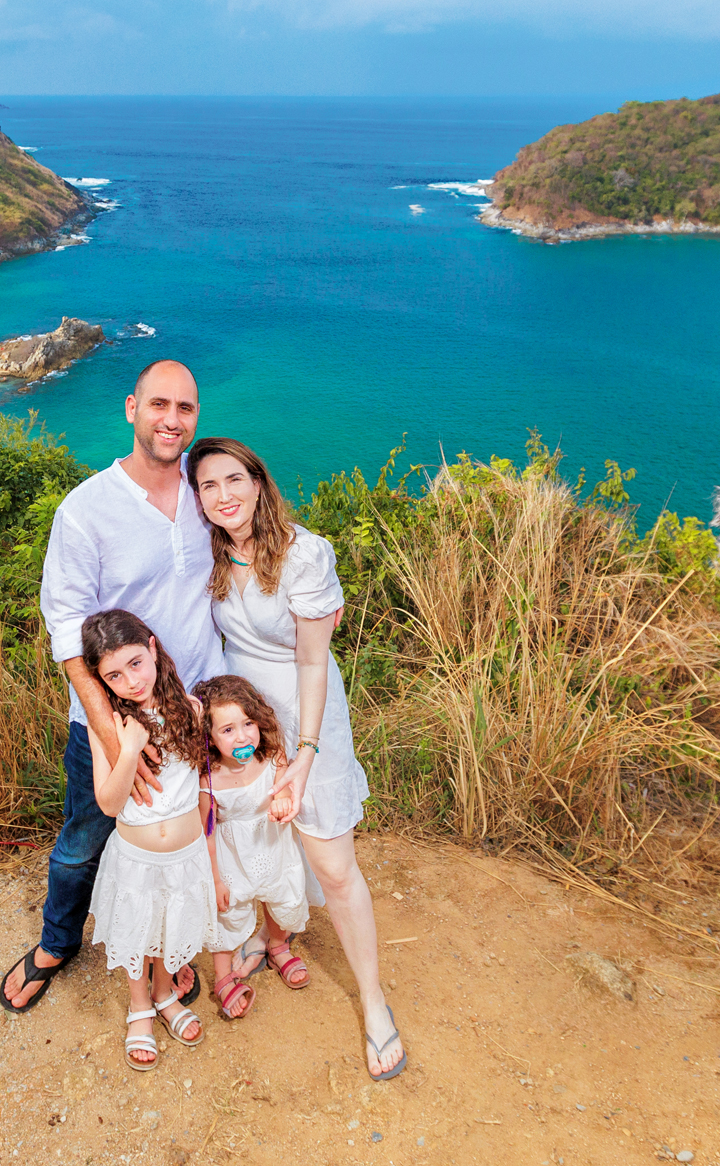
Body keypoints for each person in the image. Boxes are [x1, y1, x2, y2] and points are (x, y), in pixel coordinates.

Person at [0, 360, 223, 1015]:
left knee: (185, 835)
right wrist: (115, 731)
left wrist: (316, 592)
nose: (171, 419)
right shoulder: (87, 509)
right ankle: (55, 943)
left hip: (190, 709)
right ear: (132, 409)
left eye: (185, 407)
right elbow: (65, 627)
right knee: (85, 839)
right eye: (159, 404)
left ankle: (170, 952)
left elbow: (254, 543)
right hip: (110, 716)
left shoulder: (206, 494)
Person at [189, 434, 407, 1082]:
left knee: (333, 865)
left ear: (259, 482)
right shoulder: (210, 555)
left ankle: (372, 1000)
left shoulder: (305, 555)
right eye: (208, 486)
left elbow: (314, 660)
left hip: (306, 709)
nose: (223, 496)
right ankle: (270, 933)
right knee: (257, 832)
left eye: (234, 479)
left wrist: (305, 754)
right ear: (198, 500)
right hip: (244, 718)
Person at [79, 611, 218, 1069]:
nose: (130, 681)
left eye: (136, 663)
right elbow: (110, 803)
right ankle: (140, 1007)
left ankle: (164, 995)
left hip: (185, 852)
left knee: (165, 927)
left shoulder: (193, 711)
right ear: (101, 680)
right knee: (139, 930)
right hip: (136, 855)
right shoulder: (111, 727)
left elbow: (201, 787)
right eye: (114, 675)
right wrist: (132, 747)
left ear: (154, 649)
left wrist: (210, 859)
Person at [195, 673, 308, 1023]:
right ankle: (223, 976)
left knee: (277, 898)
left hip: (273, 845)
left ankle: (277, 946)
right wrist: (215, 880)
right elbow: (208, 831)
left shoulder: (272, 756)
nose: (242, 735)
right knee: (228, 914)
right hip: (231, 856)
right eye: (227, 730)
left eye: (248, 723)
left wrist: (283, 800)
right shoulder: (209, 778)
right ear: (209, 737)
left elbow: (285, 789)